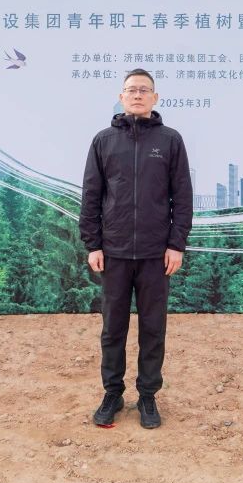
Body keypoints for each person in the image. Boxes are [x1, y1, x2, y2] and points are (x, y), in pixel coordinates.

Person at [80, 68, 192, 429]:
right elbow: (91, 196)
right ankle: (112, 393)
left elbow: (182, 198)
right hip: (112, 253)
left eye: (145, 90)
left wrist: (176, 245)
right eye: (132, 90)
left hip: (155, 255)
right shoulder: (103, 141)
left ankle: (148, 395)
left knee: (152, 328)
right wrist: (93, 244)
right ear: (121, 97)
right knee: (112, 328)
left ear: (155, 98)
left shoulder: (170, 140)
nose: (138, 95)